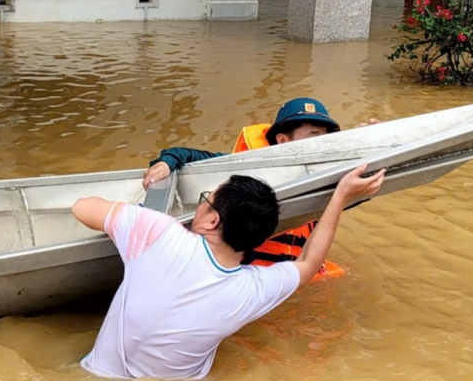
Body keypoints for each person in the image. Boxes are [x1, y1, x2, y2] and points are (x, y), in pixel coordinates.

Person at [71, 164, 385, 380]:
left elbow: (82, 207)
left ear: (212, 221)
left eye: (205, 201)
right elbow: (308, 263)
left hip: (97, 380)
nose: (200, 206)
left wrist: (132, 217)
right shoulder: (254, 289)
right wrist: (341, 196)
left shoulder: (155, 232)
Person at [142, 97, 378, 280]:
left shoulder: (322, 175)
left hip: (303, 271)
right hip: (259, 276)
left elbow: (357, 190)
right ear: (283, 141)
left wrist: (366, 147)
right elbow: (188, 155)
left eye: (326, 137)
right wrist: (166, 162)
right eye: (314, 136)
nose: (322, 143)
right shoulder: (247, 170)